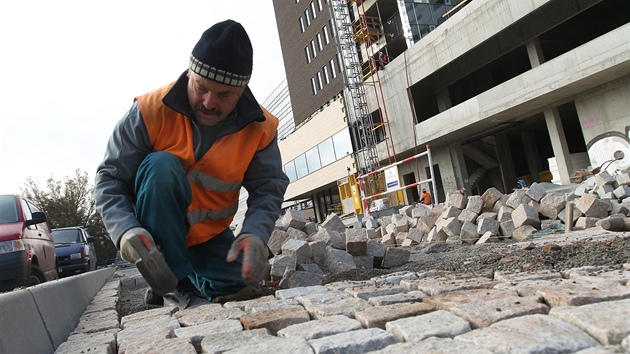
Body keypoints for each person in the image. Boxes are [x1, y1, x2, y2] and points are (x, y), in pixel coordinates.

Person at [94, 20, 289, 308]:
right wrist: (125, 231)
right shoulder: (149, 111)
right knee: (161, 166)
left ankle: (181, 277)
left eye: (224, 95)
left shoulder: (260, 127)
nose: (209, 102)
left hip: (209, 235)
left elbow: (267, 188)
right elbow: (111, 179)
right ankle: (171, 281)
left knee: (242, 287)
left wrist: (255, 234)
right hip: (157, 238)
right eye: (201, 88)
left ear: (242, 89)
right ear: (190, 75)